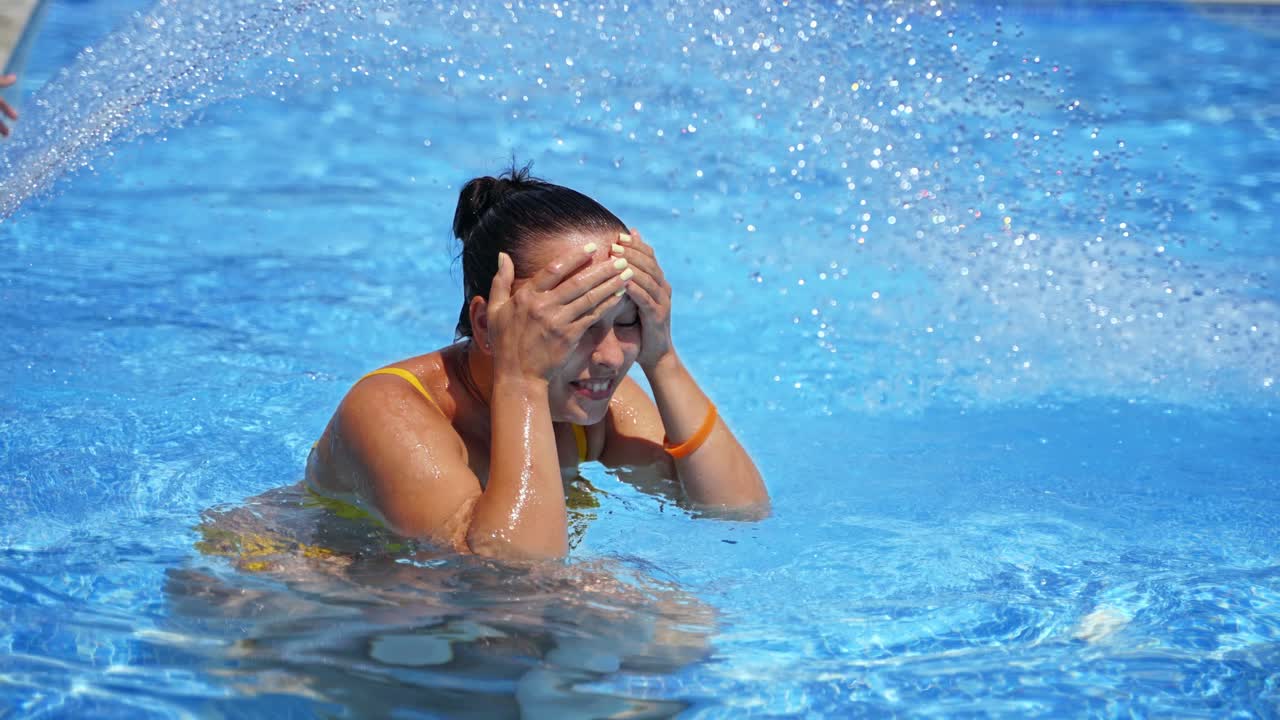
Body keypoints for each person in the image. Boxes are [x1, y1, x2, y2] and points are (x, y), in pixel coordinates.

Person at [305, 165, 769, 560]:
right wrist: (522, 379)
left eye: (629, 321)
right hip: (308, 598)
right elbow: (512, 572)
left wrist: (662, 357)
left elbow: (735, 511)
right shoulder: (390, 410)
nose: (610, 356)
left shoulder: (585, 401)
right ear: (486, 325)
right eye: (575, 324)